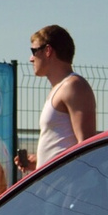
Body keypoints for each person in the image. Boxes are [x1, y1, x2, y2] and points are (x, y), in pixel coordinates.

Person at [31, 24, 97, 167]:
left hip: (69, 187)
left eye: (34, 51)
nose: (31, 58)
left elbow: (86, 144)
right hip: (54, 185)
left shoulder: (73, 86)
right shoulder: (60, 88)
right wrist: (37, 163)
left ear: (48, 51)